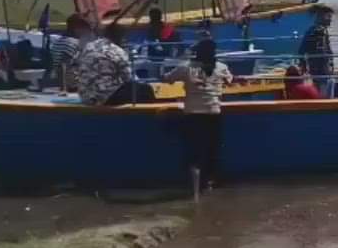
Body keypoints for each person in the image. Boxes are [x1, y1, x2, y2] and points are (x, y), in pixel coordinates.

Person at [165, 38, 233, 189]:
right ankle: (211, 180)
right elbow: (230, 80)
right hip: (213, 112)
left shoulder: (185, 67)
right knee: (212, 148)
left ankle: (195, 182)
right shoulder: (221, 67)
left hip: (193, 114)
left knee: (194, 149)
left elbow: (167, 78)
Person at [75, 23, 155, 105]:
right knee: (146, 89)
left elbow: (76, 65)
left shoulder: (88, 46)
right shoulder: (117, 51)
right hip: (105, 97)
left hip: (85, 96)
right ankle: (145, 112)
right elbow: (129, 77)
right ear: (120, 37)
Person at [48, 14, 91, 91]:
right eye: (86, 29)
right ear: (77, 28)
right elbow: (63, 65)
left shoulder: (59, 41)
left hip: (61, 81)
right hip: (72, 84)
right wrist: (64, 88)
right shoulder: (73, 43)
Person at [298, 5, 335, 96]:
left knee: (328, 86)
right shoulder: (315, 32)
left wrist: (331, 63)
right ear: (321, 17)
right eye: (328, 16)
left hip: (324, 70)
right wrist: (304, 67)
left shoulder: (323, 31)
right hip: (319, 71)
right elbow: (302, 51)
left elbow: (328, 50)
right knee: (323, 93)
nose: (331, 20)